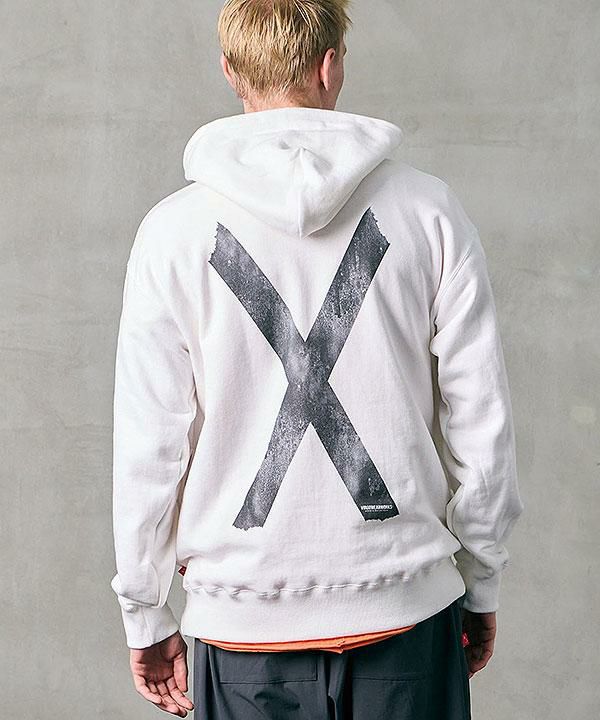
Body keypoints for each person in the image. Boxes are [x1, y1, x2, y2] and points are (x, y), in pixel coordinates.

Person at [110, 1, 525, 718]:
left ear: (231, 71)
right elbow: (481, 418)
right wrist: (480, 574)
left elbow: (149, 445)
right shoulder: (429, 212)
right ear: (331, 66)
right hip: (407, 619)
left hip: (242, 631)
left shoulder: (172, 233)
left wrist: (144, 609)